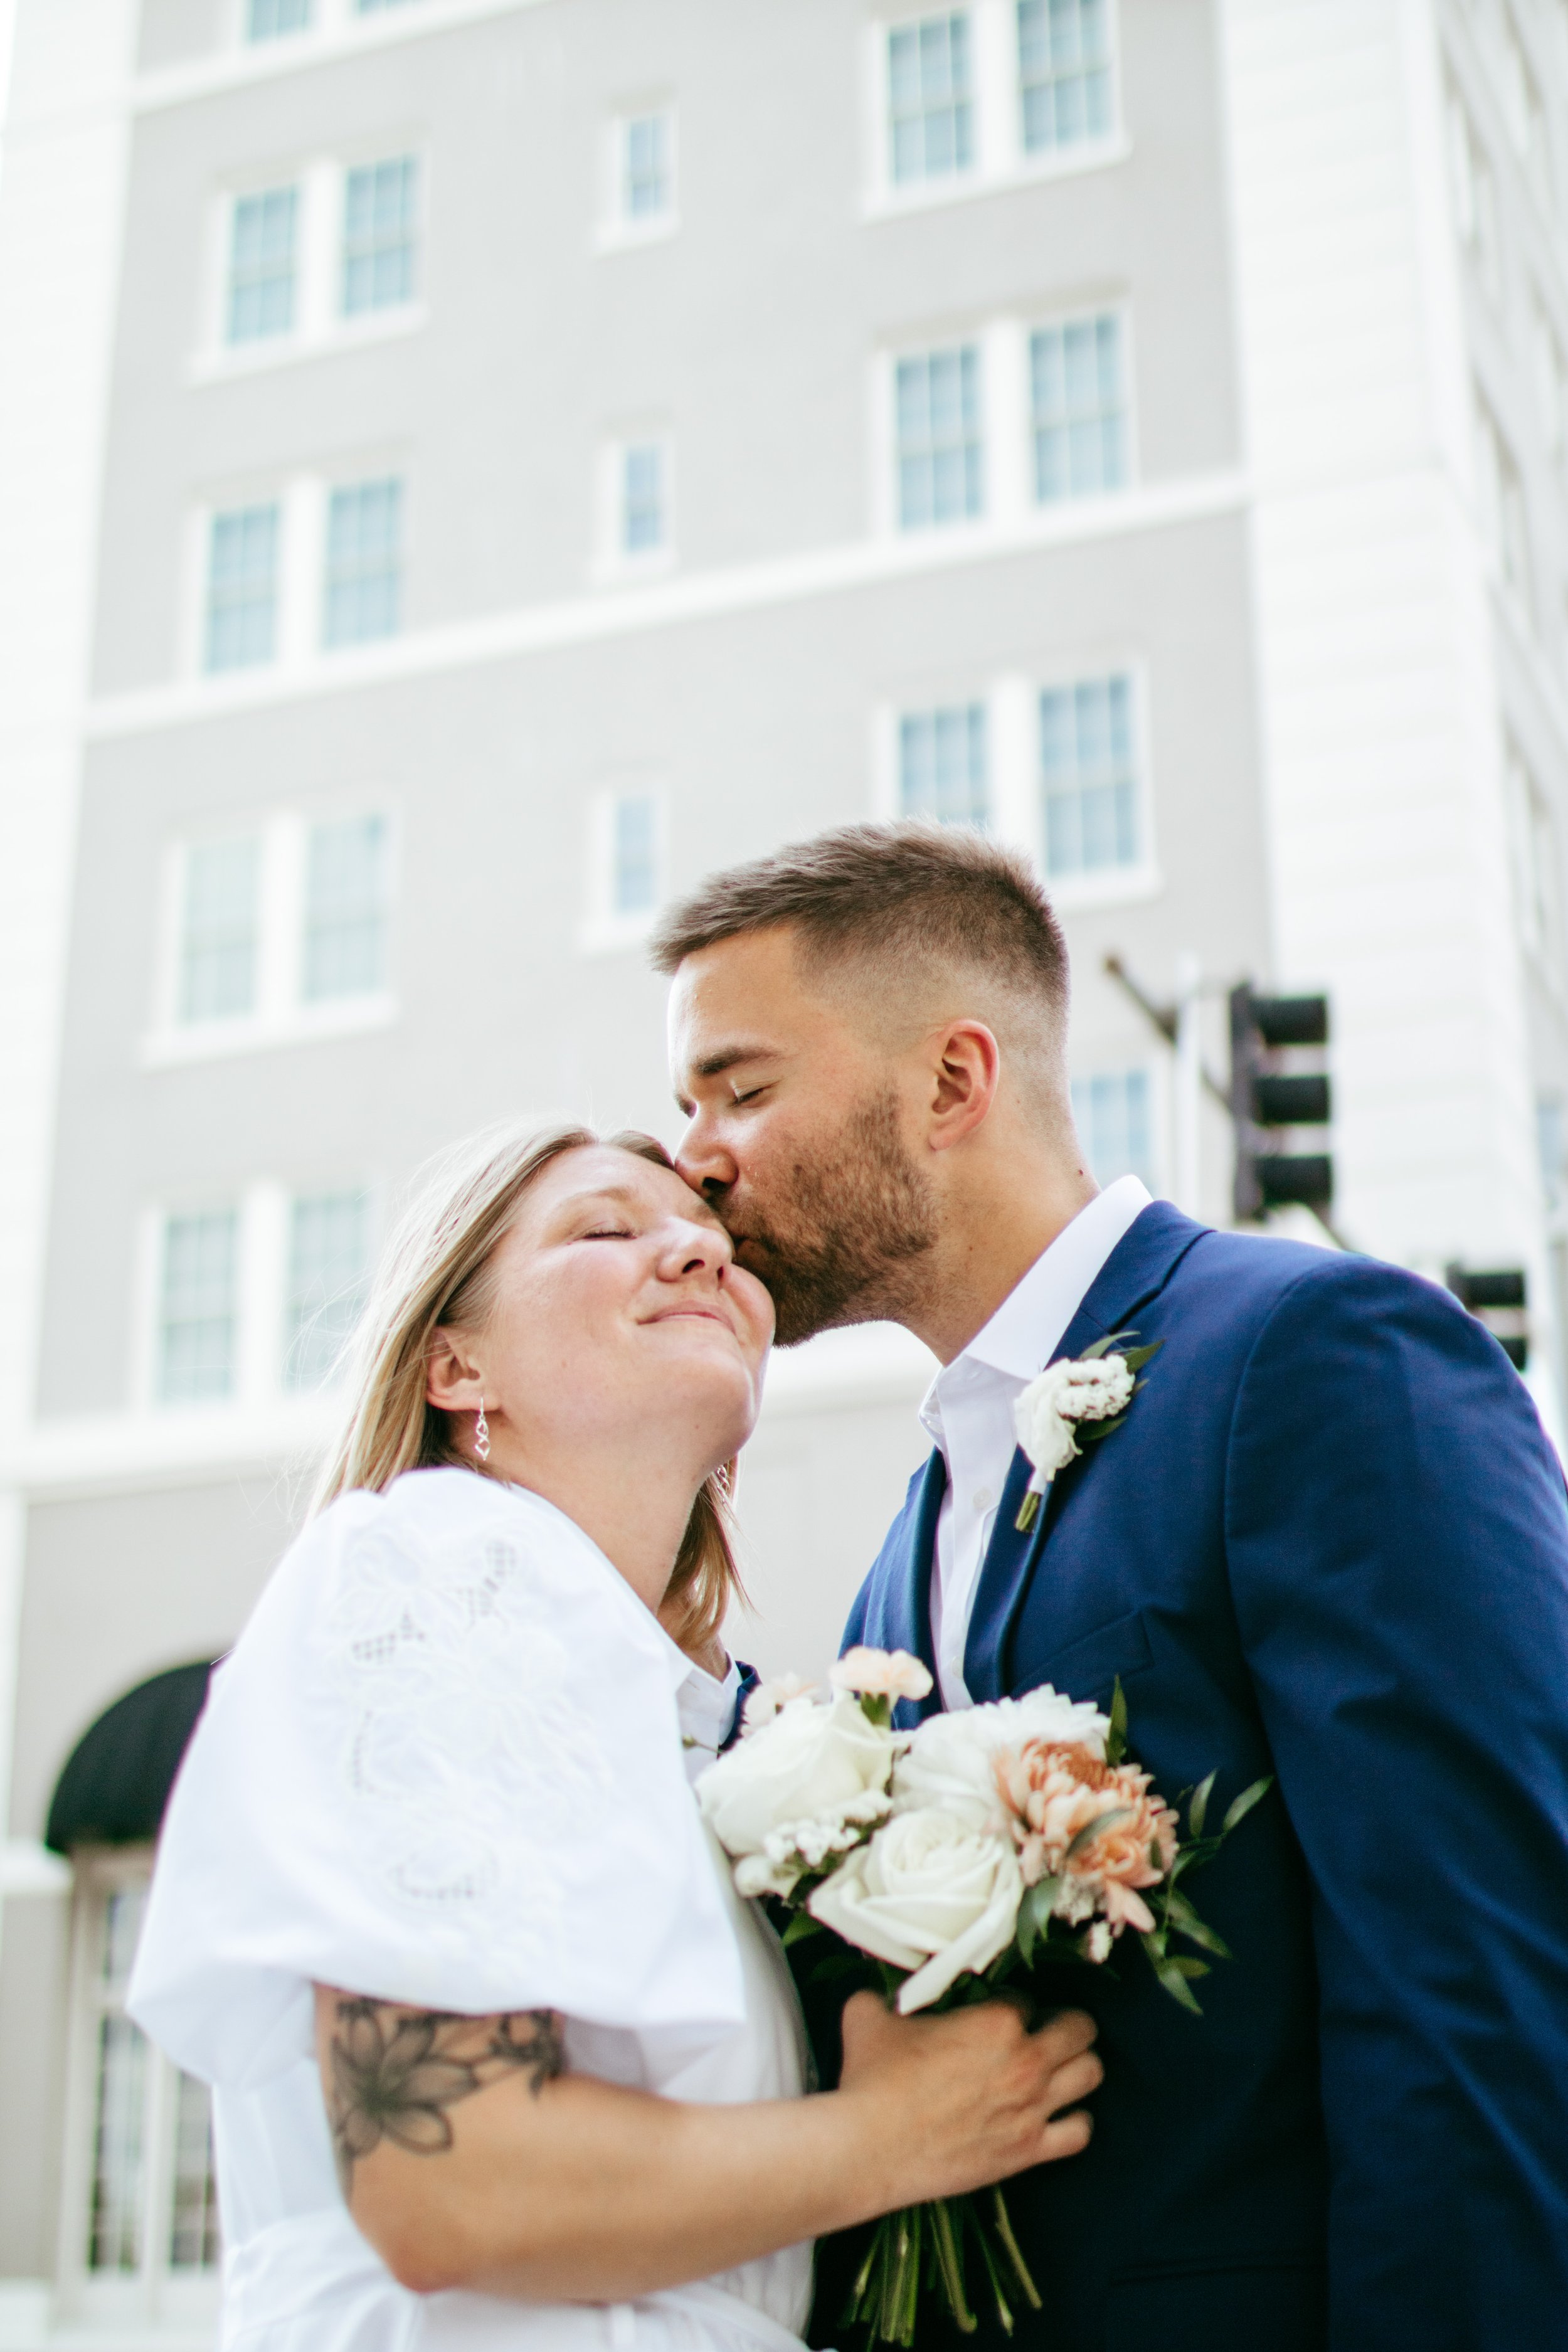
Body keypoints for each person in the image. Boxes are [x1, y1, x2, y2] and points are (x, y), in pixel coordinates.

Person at [655, 822, 1568, 2352]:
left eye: (741, 1090)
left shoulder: (1309, 1355)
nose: (695, 1155)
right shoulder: (909, 1537)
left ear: (953, 1080)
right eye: (686, 1106)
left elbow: (1484, 1980)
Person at [127, 1120, 1101, 2352]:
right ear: (454, 1368)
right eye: (605, 1230)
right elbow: (453, 2186)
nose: (698, 1257)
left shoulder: (690, 1719)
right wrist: (890, 2140)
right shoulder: (428, 1568)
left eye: (712, 1242)